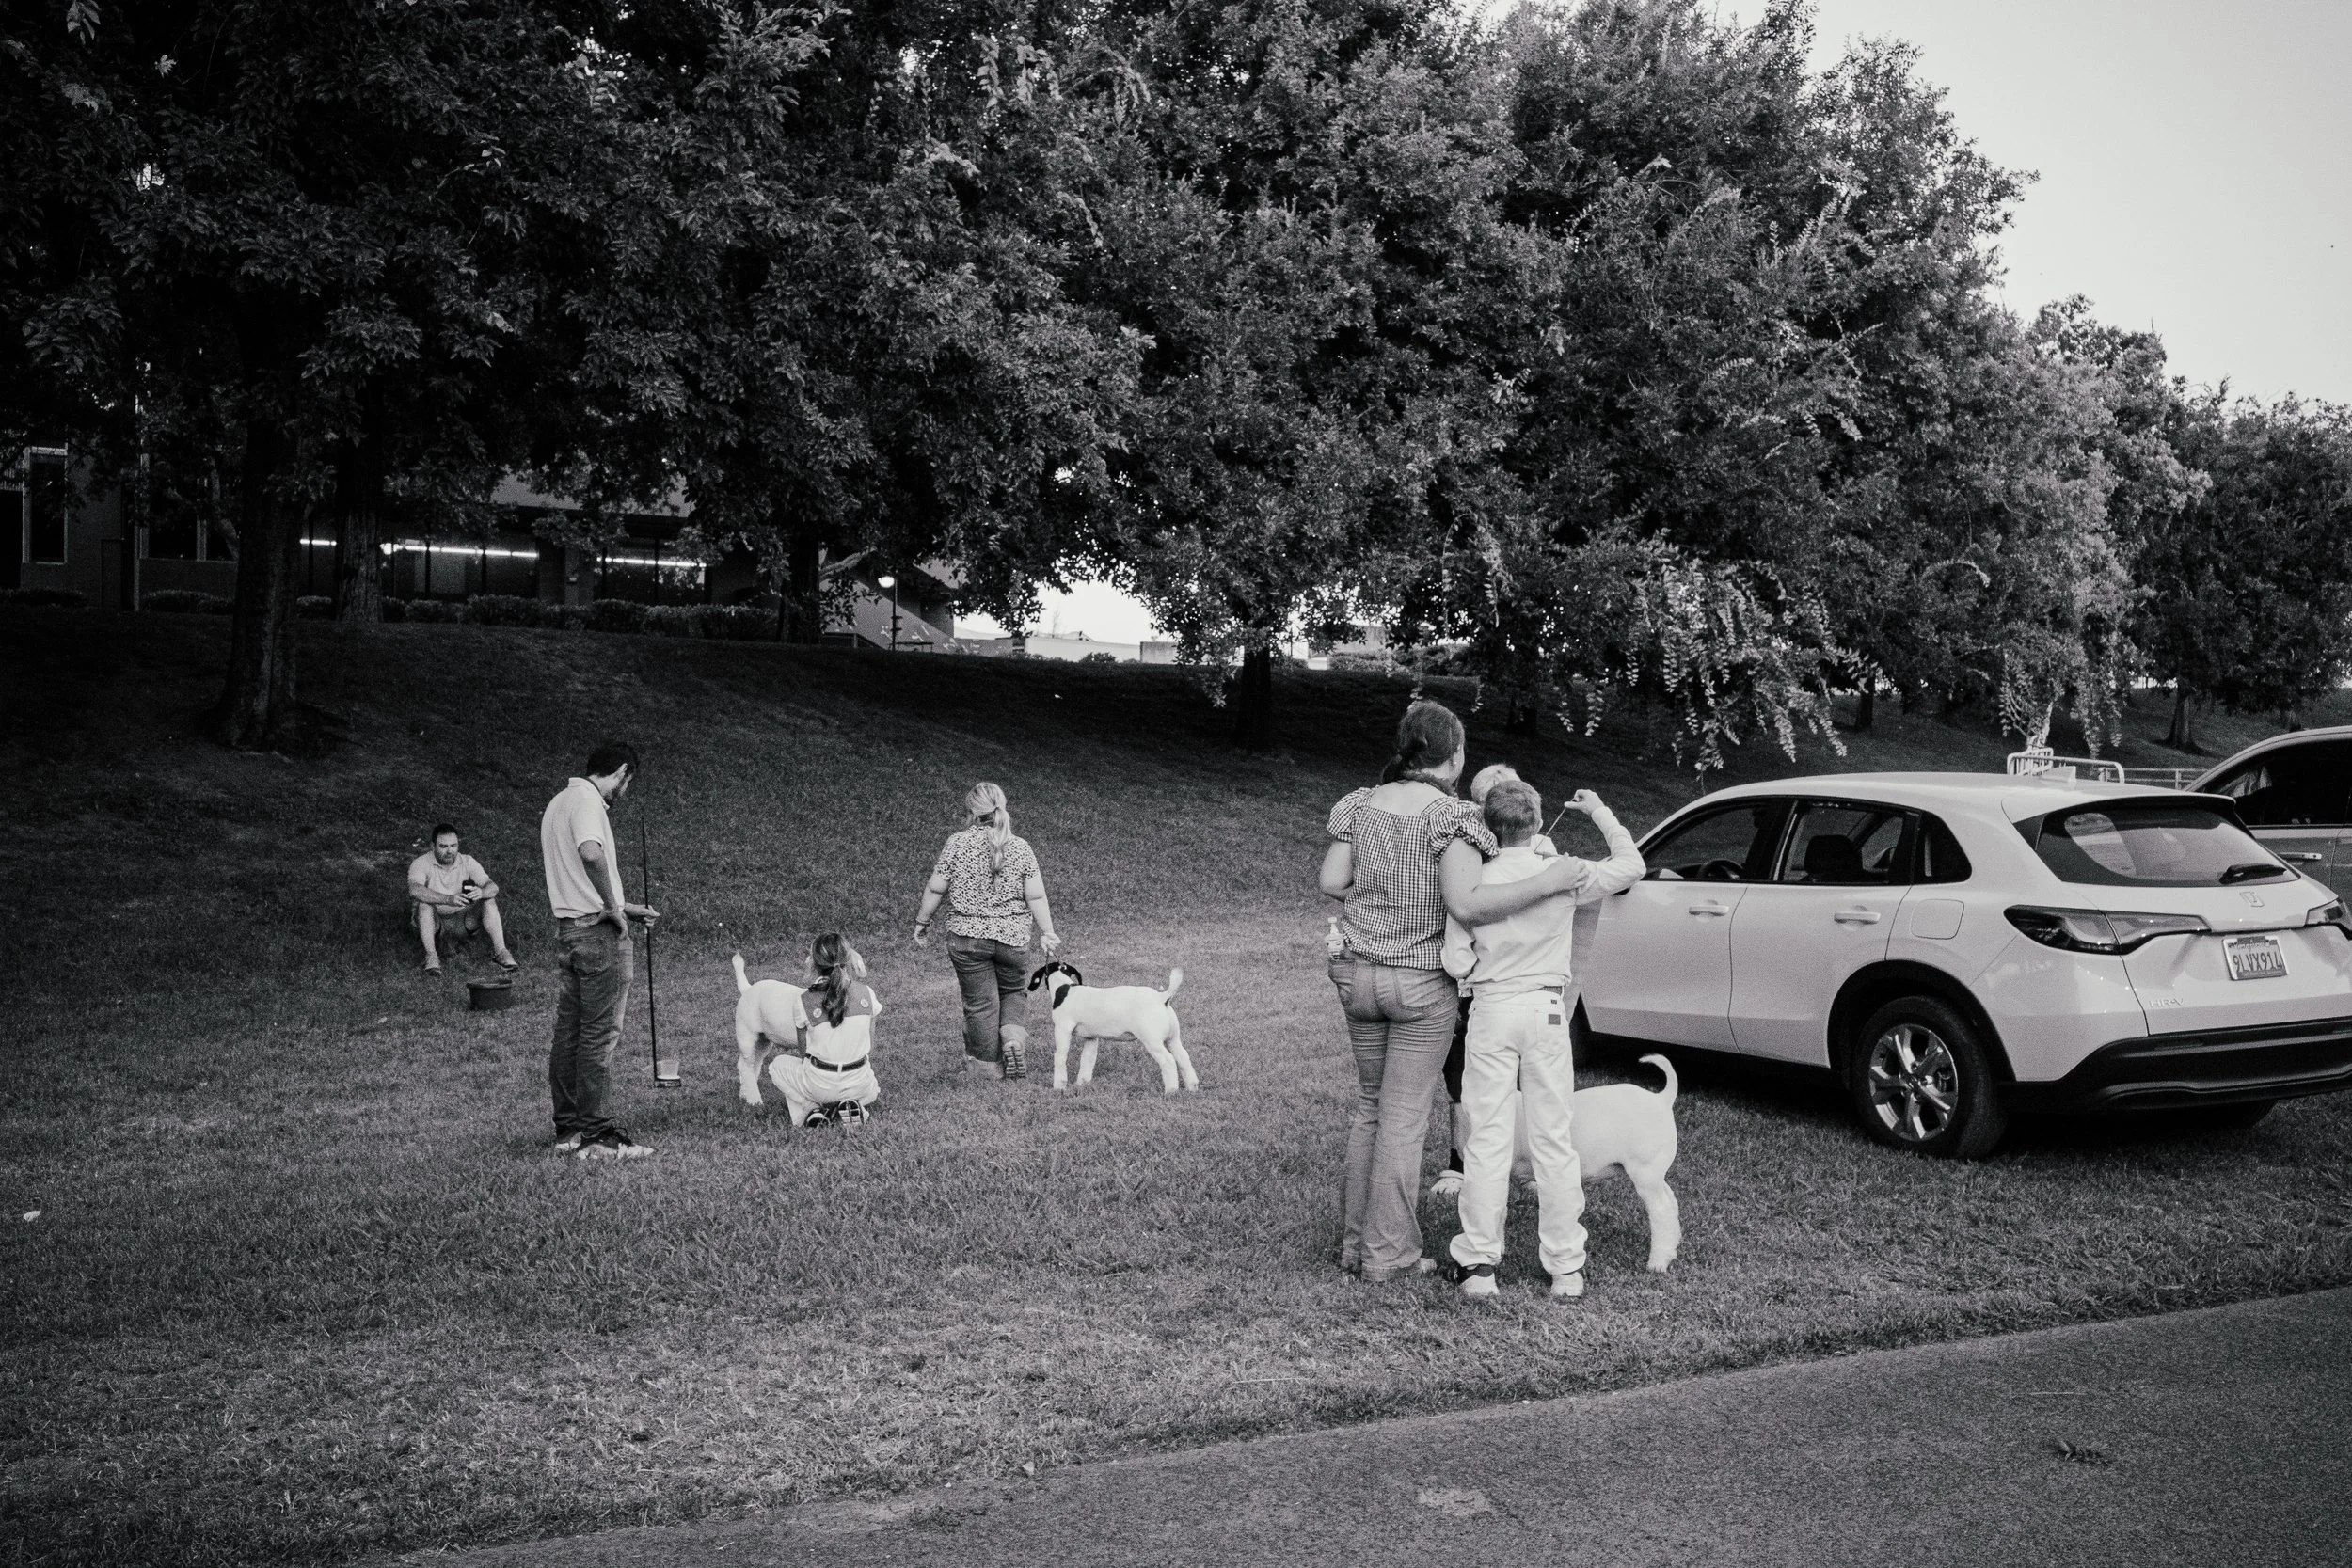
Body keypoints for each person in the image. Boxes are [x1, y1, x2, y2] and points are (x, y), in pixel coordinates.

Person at [1318, 702, 1594, 1282]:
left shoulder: (1358, 804)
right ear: (1456, 755)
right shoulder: (1456, 818)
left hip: (1355, 976)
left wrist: (1381, 899)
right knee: (1403, 1117)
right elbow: (1470, 903)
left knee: (1370, 1109)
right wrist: (1551, 879)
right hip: (1419, 983)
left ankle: (1354, 1246)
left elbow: (1331, 881)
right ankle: (1387, 1256)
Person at [1446, 779, 1645, 1301]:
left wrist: (1479, 970)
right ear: (1536, 824)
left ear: (1490, 827)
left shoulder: (1476, 886)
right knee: (1553, 1140)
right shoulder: (1567, 874)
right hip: (1546, 1011)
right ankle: (1565, 1269)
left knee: (1487, 1138)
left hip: (1491, 1007)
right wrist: (1599, 810)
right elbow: (1632, 865)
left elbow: (1454, 959)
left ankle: (1479, 1264)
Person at [1430, 764, 1556, 1196]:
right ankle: (1459, 1161)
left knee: (1530, 1078)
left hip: (1511, 984)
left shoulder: (1546, 855)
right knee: (1462, 1074)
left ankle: (1525, 1164)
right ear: (1479, 808)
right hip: (1477, 986)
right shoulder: (1467, 853)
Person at [540, 742, 660, 1160]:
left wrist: (623, 904)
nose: (624, 792)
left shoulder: (560, 802)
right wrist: (613, 908)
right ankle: (597, 1136)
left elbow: (574, 876)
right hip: (598, 935)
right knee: (599, 1035)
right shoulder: (589, 801)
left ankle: (568, 1131)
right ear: (622, 771)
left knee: (569, 1032)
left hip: (569, 931)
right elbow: (590, 853)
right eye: (628, 782)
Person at [913, 782, 1062, 1080]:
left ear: (971, 812)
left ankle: (986, 1069)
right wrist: (1047, 931)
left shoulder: (956, 843)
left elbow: (935, 887)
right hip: (1012, 938)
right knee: (1013, 993)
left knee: (981, 1005)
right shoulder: (1020, 847)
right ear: (1001, 807)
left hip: (967, 938)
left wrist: (922, 922)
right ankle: (1013, 1041)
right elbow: (1036, 896)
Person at [762, 933, 884, 1128]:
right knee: (873, 1089)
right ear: (848, 959)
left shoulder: (803, 1001)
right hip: (860, 1080)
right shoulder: (867, 993)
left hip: (821, 1084)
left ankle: (813, 1110)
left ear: (814, 963)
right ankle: (852, 1105)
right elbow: (871, 1041)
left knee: (777, 1066)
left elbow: (804, 1053)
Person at [407, 823, 518, 975]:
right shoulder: (421, 863)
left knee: (489, 900)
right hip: (435, 923)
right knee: (424, 905)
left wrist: (481, 892)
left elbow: (493, 887)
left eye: (453, 845)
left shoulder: (467, 861)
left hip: (464, 921)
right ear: (432, 846)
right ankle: (431, 957)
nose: (449, 851)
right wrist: (447, 899)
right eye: (443, 846)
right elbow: (415, 890)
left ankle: (501, 952)